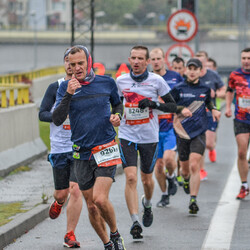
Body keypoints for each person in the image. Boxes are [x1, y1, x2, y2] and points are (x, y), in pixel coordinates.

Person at [52, 45, 125, 250]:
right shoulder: (64, 87)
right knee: (91, 206)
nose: (76, 68)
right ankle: (107, 244)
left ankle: (115, 233)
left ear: (89, 61)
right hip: (81, 152)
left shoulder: (107, 82)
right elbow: (57, 119)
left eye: (80, 63)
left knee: (100, 199)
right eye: (72, 64)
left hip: (105, 147)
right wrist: (68, 93)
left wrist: (117, 116)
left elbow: (118, 105)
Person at [116, 45, 177, 239]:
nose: (135, 62)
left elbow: (172, 106)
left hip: (149, 137)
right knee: (131, 178)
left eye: (140, 58)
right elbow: (115, 105)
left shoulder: (156, 81)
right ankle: (135, 221)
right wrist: (116, 115)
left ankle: (148, 204)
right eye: (133, 58)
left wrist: (153, 104)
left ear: (147, 61)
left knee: (146, 179)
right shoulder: (120, 81)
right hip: (127, 135)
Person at [39, 48, 82, 248]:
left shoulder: (86, 87)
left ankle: (69, 234)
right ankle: (57, 202)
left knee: (76, 190)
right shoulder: (54, 87)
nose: (71, 65)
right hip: (59, 148)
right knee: (62, 193)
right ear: (65, 63)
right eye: (67, 61)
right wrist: (59, 115)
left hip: (80, 146)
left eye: (75, 62)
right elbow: (42, 114)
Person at [170, 58, 221, 214]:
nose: (192, 71)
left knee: (194, 165)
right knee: (185, 170)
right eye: (189, 68)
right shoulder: (178, 88)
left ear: (200, 71)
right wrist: (179, 109)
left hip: (199, 131)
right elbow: (169, 105)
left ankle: (193, 199)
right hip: (182, 132)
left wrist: (214, 109)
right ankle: (185, 180)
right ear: (186, 70)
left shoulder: (205, 89)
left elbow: (209, 102)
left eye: (195, 69)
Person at [149, 48, 183, 207]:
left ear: (164, 60)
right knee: (159, 165)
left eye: (158, 58)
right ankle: (164, 194)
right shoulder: (146, 79)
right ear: (149, 61)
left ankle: (172, 177)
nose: (156, 61)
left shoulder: (175, 78)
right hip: (152, 129)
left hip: (170, 127)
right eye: (153, 59)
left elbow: (182, 99)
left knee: (169, 160)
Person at [195, 51, 226, 181]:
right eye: (197, 62)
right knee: (200, 143)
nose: (200, 65)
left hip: (210, 112)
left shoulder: (212, 75)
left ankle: (212, 149)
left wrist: (215, 94)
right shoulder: (191, 75)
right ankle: (201, 170)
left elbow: (224, 90)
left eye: (202, 62)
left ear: (206, 62)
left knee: (208, 143)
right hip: (196, 114)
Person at [225, 47, 250, 200]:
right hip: (241, 118)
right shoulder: (235, 75)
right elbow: (229, 90)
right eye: (244, 58)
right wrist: (228, 107)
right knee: (241, 152)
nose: (246, 61)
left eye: (249, 58)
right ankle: (244, 185)